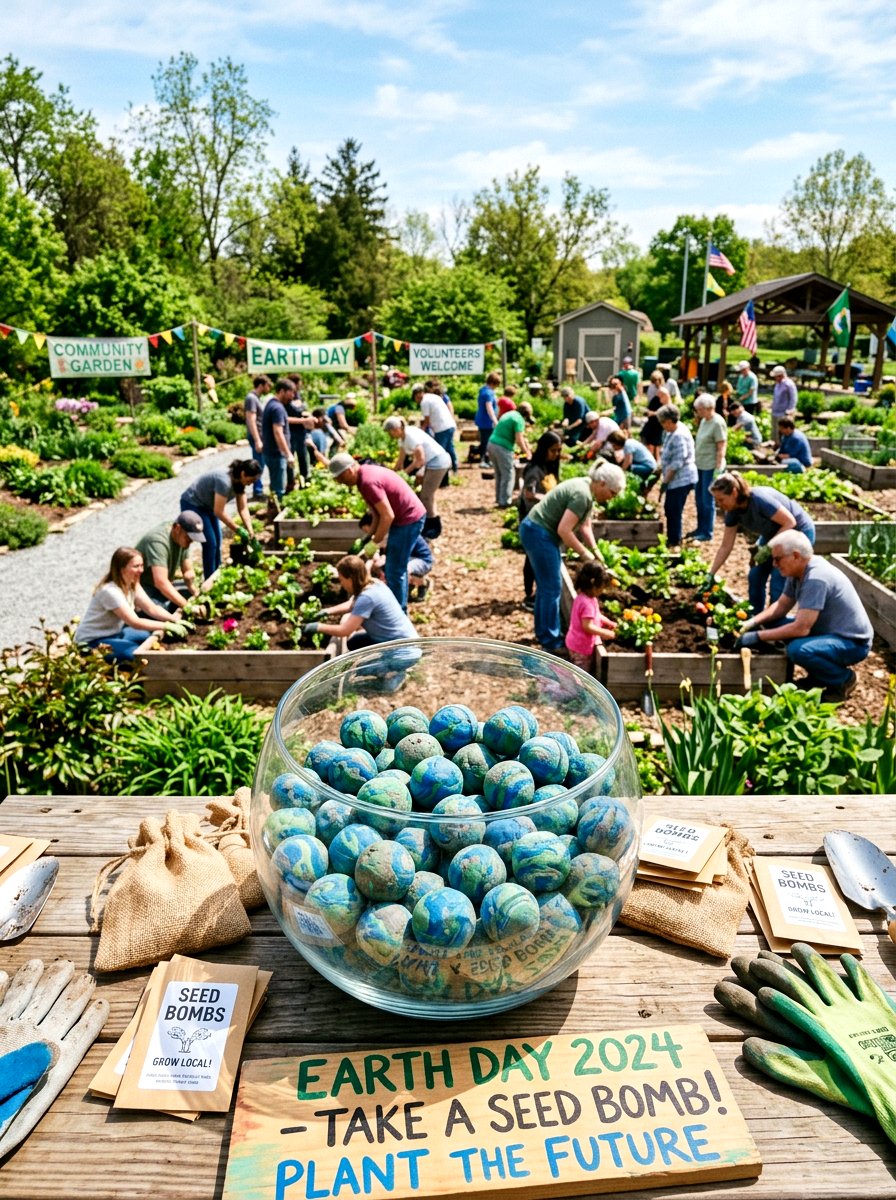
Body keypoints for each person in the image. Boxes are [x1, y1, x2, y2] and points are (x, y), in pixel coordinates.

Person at [735, 529, 872, 702]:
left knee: (799, 650)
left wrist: (758, 636)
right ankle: (818, 676)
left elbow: (801, 628)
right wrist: (752, 622)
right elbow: (781, 605)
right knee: (774, 624)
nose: (774, 564)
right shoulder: (798, 572)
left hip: (851, 642)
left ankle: (842, 680)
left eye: (777, 559)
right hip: (828, 633)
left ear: (795, 556)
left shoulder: (816, 578)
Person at [519, 460, 626, 654]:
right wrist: (585, 555)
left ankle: (544, 634)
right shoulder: (582, 495)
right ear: (602, 483)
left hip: (535, 529)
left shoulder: (587, 487)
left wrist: (596, 553)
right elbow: (564, 530)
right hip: (539, 533)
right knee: (552, 588)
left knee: (546, 587)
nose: (611, 498)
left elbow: (584, 526)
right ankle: (551, 642)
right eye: (612, 493)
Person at [327, 453, 426, 611]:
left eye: (340, 477)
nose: (339, 482)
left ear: (349, 470)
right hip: (402, 518)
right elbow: (376, 513)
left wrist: (374, 543)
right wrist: (368, 536)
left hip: (409, 518)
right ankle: (396, 607)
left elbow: (387, 516)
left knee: (395, 570)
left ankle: (399, 612)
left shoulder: (368, 481)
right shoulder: (362, 478)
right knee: (394, 567)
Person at [708, 471, 816, 613]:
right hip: (773, 535)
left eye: (721, 500)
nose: (719, 505)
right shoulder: (732, 512)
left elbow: (790, 522)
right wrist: (710, 574)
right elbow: (726, 546)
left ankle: (775, 621)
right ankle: (755, 617)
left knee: (779, 579)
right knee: (756, 575)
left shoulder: (759, 499)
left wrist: (767, 549)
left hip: (797, 532)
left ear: (734, 492)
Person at [75, 547, 180, 661]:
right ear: (122, 569)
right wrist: (166, 626)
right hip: (92, 641)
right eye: (136, 566)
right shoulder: (110, 591)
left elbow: (152, 608)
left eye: (141, 565)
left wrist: (174, 619)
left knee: (146, 636)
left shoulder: (132, 584)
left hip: (114, 633)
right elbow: (135, 622)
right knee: (134, 654)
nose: (141, 570)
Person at [303, 554, 418, 651]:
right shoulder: (373, 583)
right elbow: (351, 604)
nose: (341, 584)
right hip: (402, 639)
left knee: (362, 672)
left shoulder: (367, 598)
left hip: (402, 649)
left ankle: (393, 674)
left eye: (342, 580)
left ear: (350, 579)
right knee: (355, 642)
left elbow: (345, 630)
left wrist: (318, 627)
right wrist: (326, 612)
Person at [179, 458, 260, 577]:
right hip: (194, 504)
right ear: (243, 474)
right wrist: (237, 529)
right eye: (251, 480)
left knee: (218, 540)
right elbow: (219, 512)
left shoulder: (240, 483)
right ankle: (209, 579)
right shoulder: (224, 481)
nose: (251, 483)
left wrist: (250, 531)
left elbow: (243, 508)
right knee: (210, 543)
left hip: (208, 506)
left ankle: (217, 575)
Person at [518, 431, 563, 610]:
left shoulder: (549, 467)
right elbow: (528, 495)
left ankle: (536, 593)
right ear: (543, 449)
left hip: (547, 519)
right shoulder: (534, 470)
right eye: (553, 450)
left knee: (539, 558)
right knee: (532, 557)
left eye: (558, 451)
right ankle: (529, 595)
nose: (556, 454)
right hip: (533, 518)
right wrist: (549, 501)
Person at [383, 415, 450, 520]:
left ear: (396, 429)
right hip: (431, 463)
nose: (389, 435)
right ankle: (430, 517)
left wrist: (404, 473)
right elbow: (400, 459)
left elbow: (420, 460)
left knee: (426, 496)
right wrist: (393, 473)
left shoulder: (411, 436)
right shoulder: (402, 438)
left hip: (438, 462)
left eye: (389, 432)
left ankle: (432, 524)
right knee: (424, 492)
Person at [135, 512, 204, 610]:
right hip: (143, 587)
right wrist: (188, 607)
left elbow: (187, 569)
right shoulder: (158, 542)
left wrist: (192, 587)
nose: (191, 541)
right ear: (177, 528)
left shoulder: (181, 538)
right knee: (163, 610)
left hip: (157, 586)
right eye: (189, 538)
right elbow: (161, 582)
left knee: (185, 596)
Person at [360, 511, 434, 602]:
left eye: (368, 530)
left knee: (400, 569)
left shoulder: (394, 532)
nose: (369, 534)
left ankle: (411, 589)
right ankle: (409, 585)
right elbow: (379, 553)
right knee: (390, 567)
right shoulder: (383, 535)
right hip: (408, 558)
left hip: (423, 560)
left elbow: (395, 552)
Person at [657, 403, 697, 552]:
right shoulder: (672, 432)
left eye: (663, 422)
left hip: (681, 479)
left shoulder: (679, 434)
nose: (662, 426)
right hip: (675, 479)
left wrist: (665, 481)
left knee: (673, 508)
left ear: (669, 420)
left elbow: (678, 462)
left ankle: (675, 541)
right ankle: (673, 538)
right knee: (670, 508)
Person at [565, 560, 617, 674]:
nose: (601, 591)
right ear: (593, 584)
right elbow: (587, 626)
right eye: (601, 588)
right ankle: (575, 690)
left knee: (574, 668)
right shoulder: (587, 603)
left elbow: (595, 615)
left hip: (573, 641)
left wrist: (608, 622)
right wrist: (604, 633)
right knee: (581, 675)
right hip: (581, 647)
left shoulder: (582, 597)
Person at [691, 393, 728, 542]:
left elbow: (721, 445)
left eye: (700, 409)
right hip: (699, 464)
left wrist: (718, 467)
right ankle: (700, 527)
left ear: (708, 408)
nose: (698, 412)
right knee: (699, 498)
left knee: (707, 500)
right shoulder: (704, 421)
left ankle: (707, 532)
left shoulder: (717, 422)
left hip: (710, 466)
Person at [488, 401, 533, 508]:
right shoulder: (519, 420)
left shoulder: (509, 414)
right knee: (508, 475)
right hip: (503, 447)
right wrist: (527, 452)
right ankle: (505, 502)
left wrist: (525, 445)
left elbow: (521, 436)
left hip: (492, 444)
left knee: (499, 474)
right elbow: (519, 439)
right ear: (526, 415)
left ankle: (499, 499)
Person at [261, 378, 294, 505]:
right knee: (279, 489)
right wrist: (288, 454)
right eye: (290, 393)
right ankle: (277, 516)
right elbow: (278, 432)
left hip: (271, 452)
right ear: (281, 391)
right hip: (276, 453)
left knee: (275, 485)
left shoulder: (272, 405)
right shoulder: (277, 408)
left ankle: (272, 510)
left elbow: (284, 422)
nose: (292, 397)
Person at [419, 381, 458, 477]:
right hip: (449, 425)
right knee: (450, 448)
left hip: (442, 428)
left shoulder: (425, 401)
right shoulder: (434, 397)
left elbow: (426, 421)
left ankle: (442, 475)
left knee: (440, 452)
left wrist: (421, 431)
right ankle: (454, 469)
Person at [243, 375, 271, 497]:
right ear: (261, 385)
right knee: (258, 464)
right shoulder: (251, 398)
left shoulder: (256, 398)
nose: (268, 388)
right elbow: (251, 420)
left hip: (260, 436)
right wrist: (257, 440)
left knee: (261, 463)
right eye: (267, 385)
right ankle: (257, 491)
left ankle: (258, 489)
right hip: (257, 437)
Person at [285, 376, 313, 486]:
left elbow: (303, 410)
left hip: (301, 432)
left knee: (303, 456)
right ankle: (290, 482)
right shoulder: (286, 401)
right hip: (291, 433)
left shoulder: (299, 396)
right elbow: (284, 418)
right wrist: (302, 420)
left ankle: (305, 481)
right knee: (290, 458)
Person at [475, 372, 501, 465]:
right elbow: (489, 407)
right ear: (493, 383)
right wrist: (495, 421)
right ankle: (483, 460)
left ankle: (486, 459)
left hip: (482, 419)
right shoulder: (488, 393)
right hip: (486, 421)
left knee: (485, 440)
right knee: (486, 441)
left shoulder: (484, 390)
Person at [640, 383, 668, 462]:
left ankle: (656, 461)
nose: (658, 395)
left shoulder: (666, 401)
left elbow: (664, 412)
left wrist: (653, 413)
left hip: (658, 425)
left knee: (656, 445)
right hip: (652, 424)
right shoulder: (656, 399)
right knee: (649, 443)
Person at [770, 365, 798, 430]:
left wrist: (790, 410)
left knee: (782, 433)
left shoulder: (789, 384)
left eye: (776, 376)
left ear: (781, 376)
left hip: (783, 414)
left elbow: (793, 398)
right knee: (774, 432)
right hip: (775, 412)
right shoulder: (778, 384)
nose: (775, 378)